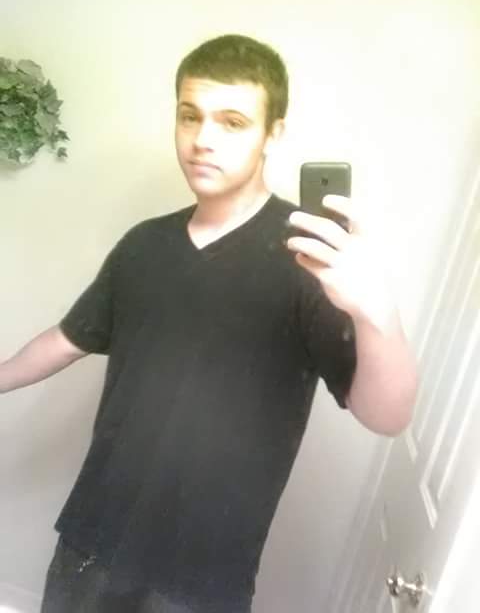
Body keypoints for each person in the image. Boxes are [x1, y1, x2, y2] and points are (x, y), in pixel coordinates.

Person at [1, 34, 417, 613]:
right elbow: (66, 341)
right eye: (189, 116)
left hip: (203, 575)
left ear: (272, 133)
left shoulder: (309, 259)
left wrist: (378, 316)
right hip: (92, 540)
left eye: (232, 122)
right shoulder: (142, 246)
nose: (202, 139)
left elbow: (387, 416)